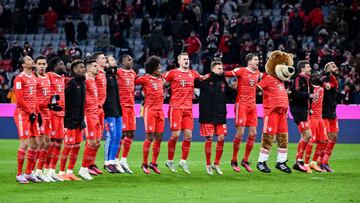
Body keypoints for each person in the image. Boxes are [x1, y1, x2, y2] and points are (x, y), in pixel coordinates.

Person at [163, 52, 207, 174]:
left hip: (188, 108)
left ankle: (183, 161)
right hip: (175, 108)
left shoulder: (193, 73)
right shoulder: (172, 73)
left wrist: (215, 74)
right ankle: (170, 160)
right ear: (179, 61)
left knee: (188, 135)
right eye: (184, 59)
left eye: (187, 59)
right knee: (175, 135)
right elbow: (160, 82)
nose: (186, 61)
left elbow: (203, 78)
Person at [224, 53, 261, 173]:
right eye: (256, 60)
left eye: (258, 60)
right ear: (249, 62)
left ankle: (245, 160)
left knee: (253, 133)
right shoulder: (241, 71)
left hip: (252, 106)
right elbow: (226, 74)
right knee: (240, 133)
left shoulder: (257, 73)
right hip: (242, 105)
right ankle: (233, 160)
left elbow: (267, 76)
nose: (258, 61)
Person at [196, 61, 228, 175]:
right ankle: (208, 164)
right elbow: (194, 82)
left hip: (220, 114)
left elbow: (228, 95)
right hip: (207, 114)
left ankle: (216, 163)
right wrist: (198, 76)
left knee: (221, 138)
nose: (221, 70)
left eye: (222, 68)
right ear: (213, 69)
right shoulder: (205, 80)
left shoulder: (224, 81)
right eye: (219, 68)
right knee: (209, 138)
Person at [14, 56, 41, 183]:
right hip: (22, 115)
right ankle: (19, 174)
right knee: (24, 144)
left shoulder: (34, 78)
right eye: (29, 60)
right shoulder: (19, 78)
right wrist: (30, 112)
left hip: (33, 115)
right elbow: (19, 100)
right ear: (24, 65)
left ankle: (29, 173)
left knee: (35, 144)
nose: (32, 61)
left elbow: (34, 98)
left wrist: (37, 113)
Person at [57, 60, 86, 181]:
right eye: (80, 67)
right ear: (74, 69)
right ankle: (61, 172)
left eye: (84, 67)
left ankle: (70, 172)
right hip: (69, 120)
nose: (83, 69)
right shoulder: (70, 83)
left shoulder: (82, 83)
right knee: (68, 146)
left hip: (79, 120)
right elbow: (61, 99)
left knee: (77, 146)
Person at [135, 56, 164, 174]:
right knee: (150, 137)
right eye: (159, 67)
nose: (161, 68)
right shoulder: (145, 79)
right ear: (153, 68)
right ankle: (144, 163)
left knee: (159, 137)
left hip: (160, 111)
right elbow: (133, 82)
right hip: (150, 111)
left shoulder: (161, 78)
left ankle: (154, 163)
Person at [289, 60, 318, 172]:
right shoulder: (298, 79)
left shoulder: (307, 80)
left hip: (304, 110)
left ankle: (299, 161)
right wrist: (310, 95)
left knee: (304, 136)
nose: (310, 68)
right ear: (302, 69)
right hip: (298, 110)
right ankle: (299, 160)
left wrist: (310, 107)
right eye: (308, 66)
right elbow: (295, 94)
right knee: (308, 135)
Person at [45, 57, 67, 181]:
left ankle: (52, 170)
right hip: (52, 113)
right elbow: (45, 92)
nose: (63, 65)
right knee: (51, 142)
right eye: (60, 64)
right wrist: (52, 103)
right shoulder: (49, 76)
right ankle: (45, 170)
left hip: (61, 113)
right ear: (54, 66)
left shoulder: (62, 78)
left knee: (59, 142)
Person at [79, 59, 101, 180]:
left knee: (97, 143)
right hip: (88, 115)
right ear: (88, 68)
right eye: (94, 66)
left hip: (95, 114)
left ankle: (87, 167)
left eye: (97, 66)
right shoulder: (86, 80)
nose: (97, 68)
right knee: (92, 142)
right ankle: (83, 169)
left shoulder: (93, 80)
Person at [86, 52, 107, 175]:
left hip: (100, 109)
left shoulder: (102, 73)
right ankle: (87, 165)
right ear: (97, 61)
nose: (105, 60)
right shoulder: (92, 76)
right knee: (91, 140)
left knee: (98, 140)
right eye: (102, 58)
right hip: (92, 109)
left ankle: (91, 163)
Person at [116, 54, 137, 174]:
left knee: (131, 133)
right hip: (122, 106)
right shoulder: (118, 72)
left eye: (132, 59)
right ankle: (115, 160)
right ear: (123, 62)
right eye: (129, 60)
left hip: (131, 107)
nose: (131, 61)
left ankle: (124, 160)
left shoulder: (133, 73)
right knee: (122, 134)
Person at [33, 56, 53, 182]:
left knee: (47, 143)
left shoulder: (48, 77)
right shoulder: (34, 79)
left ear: (46, 65)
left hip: (48, 113)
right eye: (39, 64)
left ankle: (40, 171)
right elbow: (33, 98)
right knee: (41, 144)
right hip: (39, 114)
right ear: (35, 65)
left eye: (43, 64)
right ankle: (34, 171)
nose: (41, 66)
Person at [103, 55, 123, 173]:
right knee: (112, 136)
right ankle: (107, 162)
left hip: (117, 109)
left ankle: (112, 161)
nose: (114, 61)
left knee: (118, 136)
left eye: (114, 59)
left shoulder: (113, 75)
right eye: (111, 60)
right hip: (109, 110)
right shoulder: (104, 76)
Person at [321, 62, 339, 172]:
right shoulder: (324, 78)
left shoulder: (333, 80)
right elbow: (320, 81)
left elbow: (333, 85)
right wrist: (325, 80)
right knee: (325, 139)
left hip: (332, 112)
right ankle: (320, 162)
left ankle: (325, 162)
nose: (336, 68)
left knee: (334, 137)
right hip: (324, 113)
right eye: (334, 66)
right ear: (327, 68)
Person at [307, 71, 328, 172]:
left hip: (320, 118)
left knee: (324, 140)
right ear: (312, 78)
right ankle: (306, 164)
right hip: (312, 118)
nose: (319, 77)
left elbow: (329, 79)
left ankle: (313, 162)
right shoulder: (309, 88)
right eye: (317, 76)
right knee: (311, 140)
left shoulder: (321, 88)